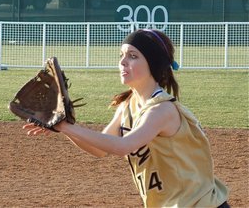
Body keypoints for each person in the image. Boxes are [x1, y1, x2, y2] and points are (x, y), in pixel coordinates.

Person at [23, 29, 230, 207]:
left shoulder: (162, 110)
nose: (122, 61)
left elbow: (124, 146)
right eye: (122, 55)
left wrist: (65, 127)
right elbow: (101, 149)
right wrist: (65, 128)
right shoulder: (127, 106)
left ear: (153, 64)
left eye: (133, 56)